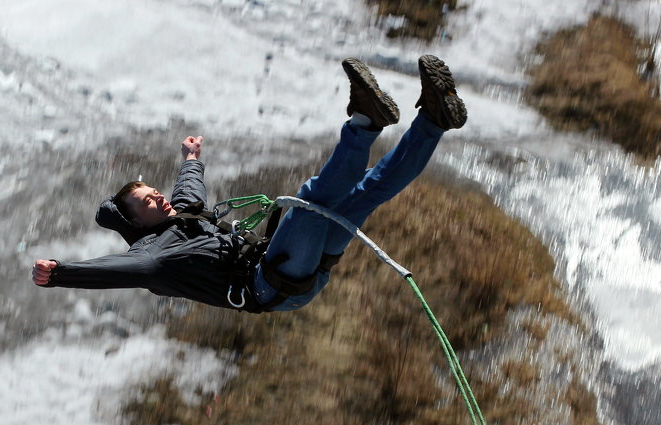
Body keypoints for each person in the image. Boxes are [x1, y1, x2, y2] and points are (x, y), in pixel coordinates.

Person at [32, 55, 467, 312]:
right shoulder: (153, 258)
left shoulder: (180, 215)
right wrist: (62, 275)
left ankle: (433, 120)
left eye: (154, 191)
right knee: (311, 200)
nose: (159, 197)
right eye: (148, 200)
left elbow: (188, 188)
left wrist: (191, 158)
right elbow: (117, 272)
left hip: (285, 271)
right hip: (271, 282)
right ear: (134, 221)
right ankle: (366, 121)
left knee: (367, 191)